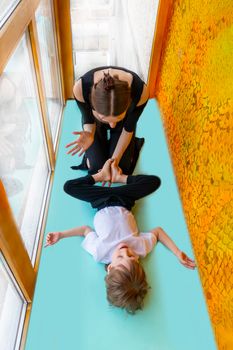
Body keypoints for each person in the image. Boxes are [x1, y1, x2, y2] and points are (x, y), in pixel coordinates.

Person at [45, 160, 196, 314]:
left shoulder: (100, 253)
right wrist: (177, 252)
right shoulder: (141, 248)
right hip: (125, 199)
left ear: (110, 267)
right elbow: (158, 232)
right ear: (137, 262)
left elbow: (85, 230)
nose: (125, 251)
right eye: (131, 257)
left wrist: (61, 235)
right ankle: (119, 177)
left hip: (100, 200)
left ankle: (100, 176)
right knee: (154, 182)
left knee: (69, 187)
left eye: (120, 257)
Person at [66, 66, 149, 174]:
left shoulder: (141, 92)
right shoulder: (80, 88)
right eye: (105, 118)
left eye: (118, 117)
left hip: (124, 124)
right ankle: (104, 122)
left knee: (120, 168)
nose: (112, 125)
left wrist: (114, 161)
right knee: (96, 168)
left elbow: (128, 128)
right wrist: (89, 133)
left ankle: (124, 135)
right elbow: (88, 120)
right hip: (94, 122)